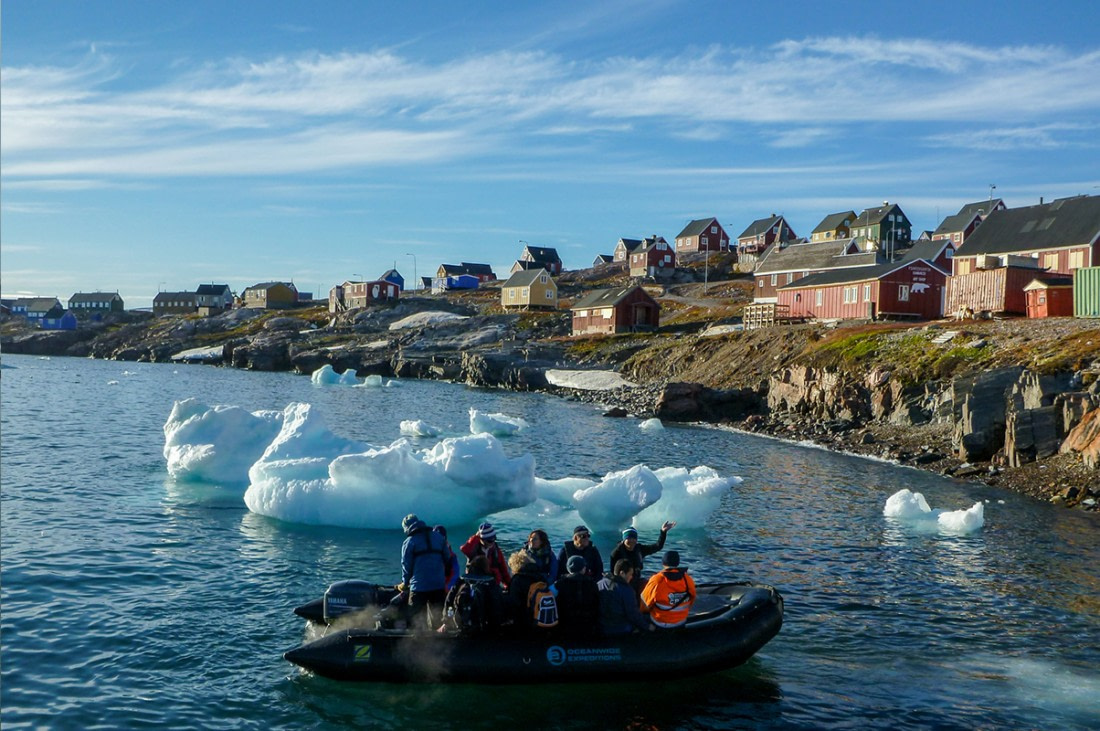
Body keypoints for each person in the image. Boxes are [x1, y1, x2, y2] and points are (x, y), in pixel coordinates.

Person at [397, 513, 449, 629]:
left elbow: (406, 565)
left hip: (419, 588)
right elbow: (447, 558)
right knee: (438, 619)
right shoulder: (438, 537)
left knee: (416, 621)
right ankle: (440, 643)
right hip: (438, 585)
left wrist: (405, 583)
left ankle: (418, 644)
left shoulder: (409, 542)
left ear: (406, 528)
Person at [443, 555, 508, 634]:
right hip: (485, 628)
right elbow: (497, 603)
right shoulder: (490, 583)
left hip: (461, 625)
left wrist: (446, 621)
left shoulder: (461, 581)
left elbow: (449, 600)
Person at [609, 521, 676, 596]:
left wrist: (663, 532)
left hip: (636, 581)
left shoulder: (639, 549)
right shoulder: (616, 553)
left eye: (634, 538)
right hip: (622, 584)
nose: (631, 541)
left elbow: (657, 546)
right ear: (624, 540)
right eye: (629, 538)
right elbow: (613, 573)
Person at [641, 550, 696, 628]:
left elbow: (644, 605)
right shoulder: (687, 579)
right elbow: (692, 598)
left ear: (663, 563)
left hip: (661, 622)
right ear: (678, 563)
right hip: (681, 621)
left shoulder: (657, 580)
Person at [506, 551, 558, 631]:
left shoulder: (517, 580)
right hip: (540, 617)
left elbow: (515, 602)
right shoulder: (540, 576)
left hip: (525, 620)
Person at [600, 559, 654, 635]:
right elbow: (633, 614)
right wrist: (647, 626)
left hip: (601, 624)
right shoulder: (626, 590)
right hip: (619, 627)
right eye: (630, 574)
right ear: (622, 573)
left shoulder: (600, 583)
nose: (631, 577)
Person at [553, 555, 601, 637]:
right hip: (587, 625)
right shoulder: (592, 584)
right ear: (583, 568)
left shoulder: (558, 584)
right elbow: (597, 603)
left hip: (565, 624)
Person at [460, 522, 511, 588]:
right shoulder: (474, 549)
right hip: (475, 584)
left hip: (492, 584)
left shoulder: (496, 550)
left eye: (494, 539)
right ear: (482, 539)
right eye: (489, 540)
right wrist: (475, 537)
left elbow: (503, 570)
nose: (492, 542)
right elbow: (464, 549)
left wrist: (509, 586)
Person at [434, 524, 461, 591]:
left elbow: (455, 574)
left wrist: (447, 588)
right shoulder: (427, 553)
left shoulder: (451, 556)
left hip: (443, 589)